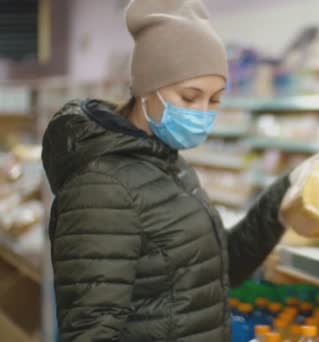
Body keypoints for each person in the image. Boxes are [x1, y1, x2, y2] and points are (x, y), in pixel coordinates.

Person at [41, 1, 290, 341]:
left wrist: (282, 198)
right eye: (190, 97)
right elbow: (90, 332)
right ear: (146, 88)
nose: (203, 113)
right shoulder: (101, 187)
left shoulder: (167, 161)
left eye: (214, 100)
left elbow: (210, 271)